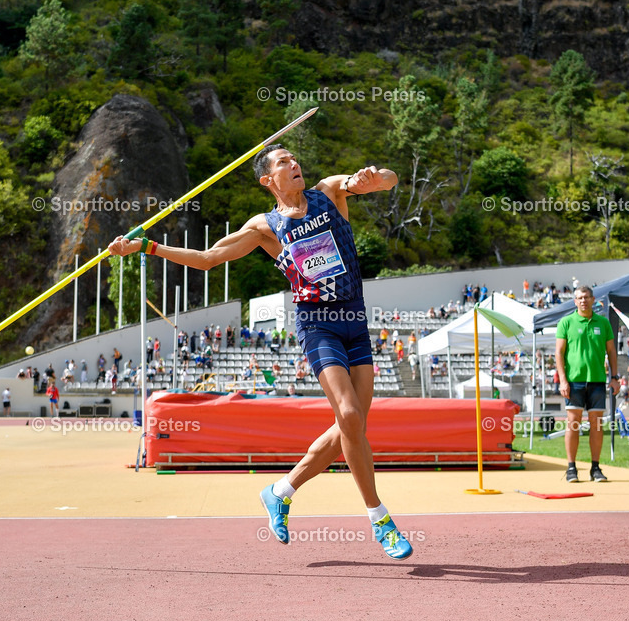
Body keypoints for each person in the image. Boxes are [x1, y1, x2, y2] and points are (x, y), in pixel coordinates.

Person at [108, 144, 412, 560]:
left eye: (294, 158)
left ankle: (280, 491)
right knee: (351, 416)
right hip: (317, 325)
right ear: (268, 180)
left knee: (351, 428)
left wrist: (375, 179)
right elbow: (207, 259)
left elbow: (388, 179)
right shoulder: (265, 227)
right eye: (283, 162)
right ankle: (380, 520)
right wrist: (147, 248)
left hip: (355, 322)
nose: (294, 164)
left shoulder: (329, 192)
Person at [556, 286, 619, 483]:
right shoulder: (566, 322)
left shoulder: (603, 323)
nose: (583, 301)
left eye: (586, 297)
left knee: (596, 426)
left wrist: (615, 377)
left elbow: (611, 352)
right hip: (574, 381)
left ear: (593, 300)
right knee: (573, 425)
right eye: (579, 298)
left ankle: (595, 468)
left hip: (598, 380)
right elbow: (558, 353)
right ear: (575, 301)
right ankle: (571, 468)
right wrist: (563, 380)